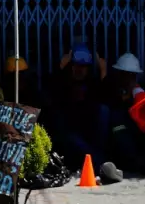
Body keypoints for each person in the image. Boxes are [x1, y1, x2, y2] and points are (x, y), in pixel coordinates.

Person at [44, 43, 122, 184]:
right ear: (71, 66)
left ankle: (100, 165)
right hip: (69, 133)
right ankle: (102, 166)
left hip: (89, 132)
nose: (79, 69)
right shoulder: (63, 82)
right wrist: (60, 68)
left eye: (83, 66)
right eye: (76, 65)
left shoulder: (93, 84)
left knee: (104, 111)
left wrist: (103, 73)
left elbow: (109, 100)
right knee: (69, 133)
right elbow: (50, 95)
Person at [99, 53, 145, 175]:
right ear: (119, 73)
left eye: (131, 75)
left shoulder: (141, 90)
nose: (128, 78)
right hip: (115, 129)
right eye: (125, 74)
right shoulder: (111, 86)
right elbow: (107, 103)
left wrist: (134, 93)